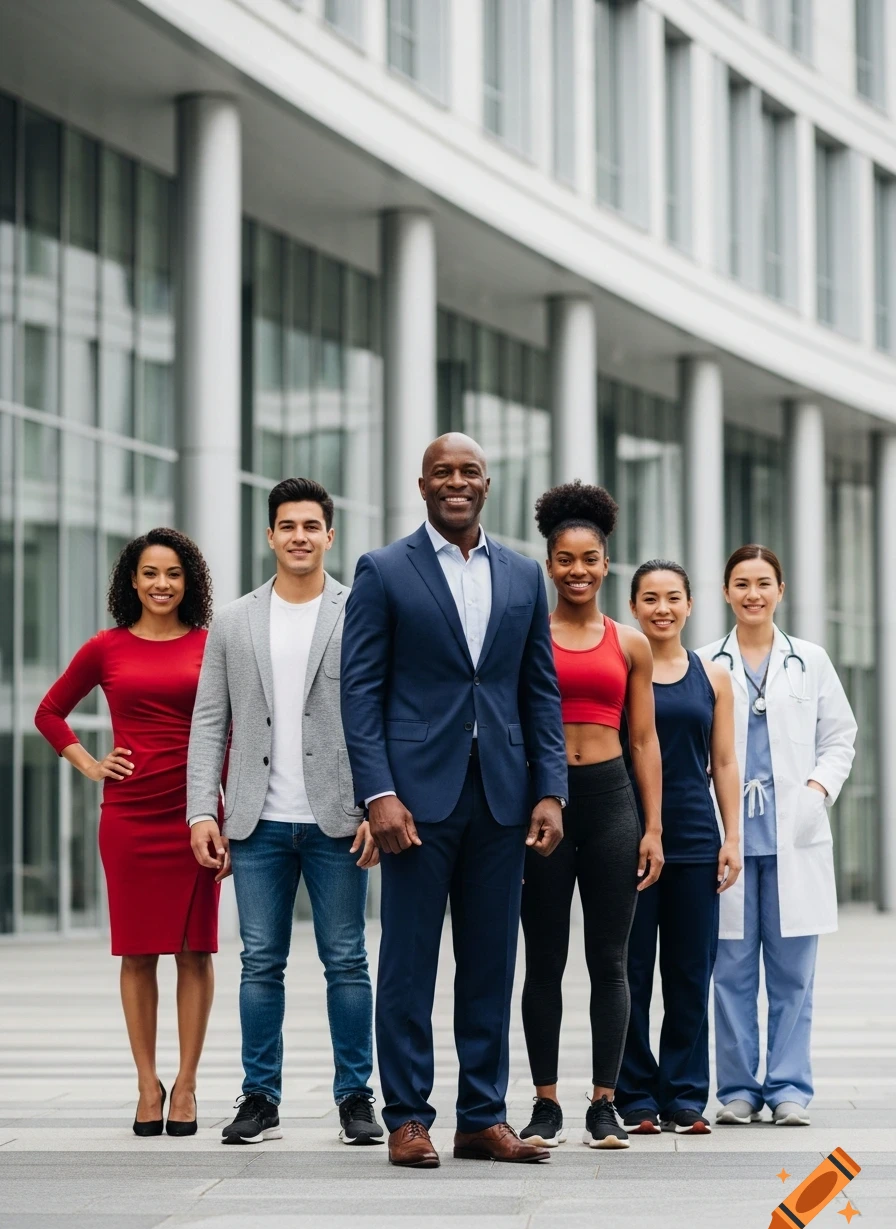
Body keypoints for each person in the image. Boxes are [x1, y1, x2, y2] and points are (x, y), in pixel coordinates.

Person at [340, 432, 568, 1169]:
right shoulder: (383, 570)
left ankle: (480, 1116)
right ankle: (407, 1116)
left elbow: (539, 691)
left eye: (469, 471)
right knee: (407, 962)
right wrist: (377, 792)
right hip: (413, 801)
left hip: (502, 798)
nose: (457, 482)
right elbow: (360, 690)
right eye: (444, 472)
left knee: (490, 962)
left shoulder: (525, 576)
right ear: (423, 484)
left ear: (488, 484)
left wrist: (550, 789)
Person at [187, 478, 382, 1148]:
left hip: (338, 819)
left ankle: (356, 1096)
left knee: (347, 961)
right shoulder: (235, 620)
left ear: (330, 535)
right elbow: (211, 721)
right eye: (287, 525)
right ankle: (260, 1098)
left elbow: (379, 718)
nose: (299, 536)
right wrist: (200, 813)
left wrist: (378, 805)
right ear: (270, 535)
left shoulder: (360, 612)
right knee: (260, 961)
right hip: (256, 822)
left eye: (311, 526)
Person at [35, 529, 219, 1138]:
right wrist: (89, 764)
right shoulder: (105, 647)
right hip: (131, 816)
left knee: (195, 951)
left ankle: (187, 1084)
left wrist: (225, 813)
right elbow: (49, 711)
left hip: (194, 816)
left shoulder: (210, 645)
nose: (161, 584)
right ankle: (147, 1083)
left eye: (172, 573)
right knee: (137, 953)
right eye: (149, 573)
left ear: (188, 581)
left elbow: (235, 732)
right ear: (131, 582)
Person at [518, 482, 663, 1152]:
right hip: (544, 806)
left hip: (610, 804)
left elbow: (643, 742)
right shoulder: (526, 636)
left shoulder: (631, 644)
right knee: (543, 959)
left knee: (611, 958)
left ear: (608, 564)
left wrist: (653, 827)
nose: (578, 569)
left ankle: (604, 1104)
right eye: (565, 558)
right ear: (549, 564)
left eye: (591, 558)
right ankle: (545, 1103)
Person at [699, 545, 857, 1126]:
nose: (752, 594)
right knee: (731, 971)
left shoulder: (809, 661)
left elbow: (841, 736)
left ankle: (789, 1087)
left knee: (793, 976)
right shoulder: (705, 661)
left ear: (781, 590)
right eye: (741, 584)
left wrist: (816, 792)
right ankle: (738, 1089)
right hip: (731, 838)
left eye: (763, 583)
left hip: (794, 835)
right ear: (725, 592)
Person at [616, 560, 741, 1136]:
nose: (661, 608)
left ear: (690, 605)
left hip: (694, 838)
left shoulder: (713, 677)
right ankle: (635, 1095)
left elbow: (723, 762)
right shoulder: (621, 670)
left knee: (692, 972)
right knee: (632, 971)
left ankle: (686, 1095)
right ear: (634, 606)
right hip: (629, 840)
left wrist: (732, 836)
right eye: (649, 598)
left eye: (672, 597)